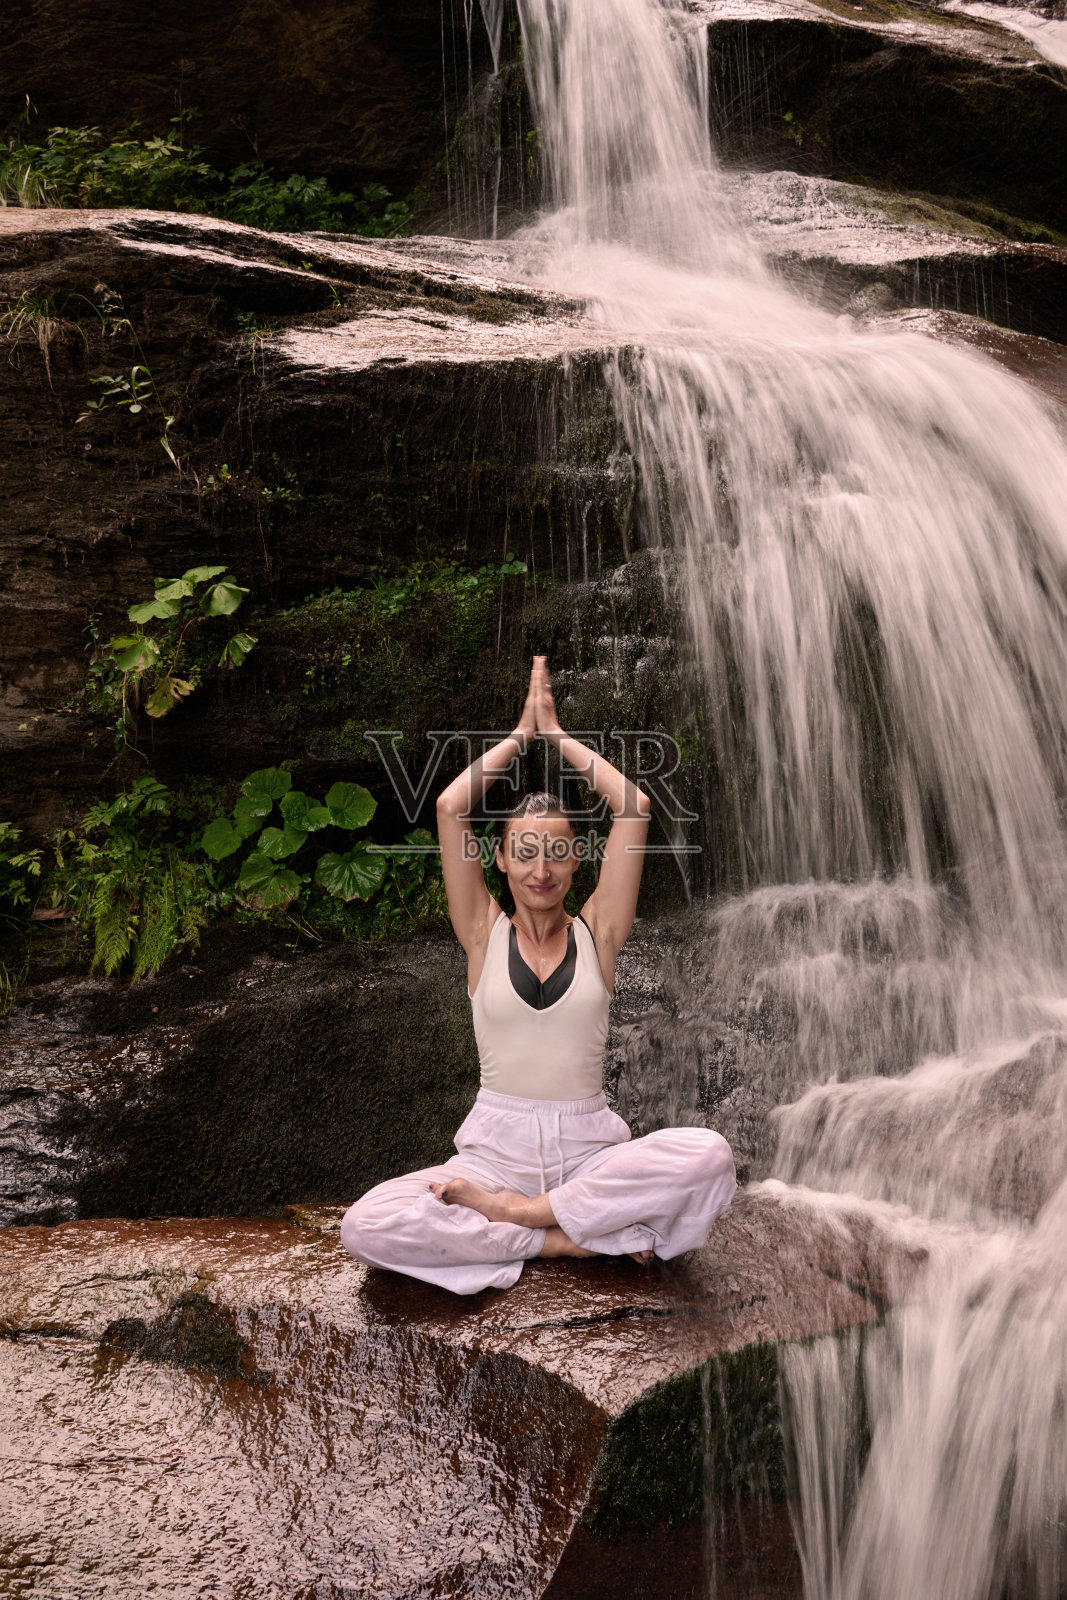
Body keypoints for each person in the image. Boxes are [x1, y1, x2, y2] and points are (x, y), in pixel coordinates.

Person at [340, 657, 736, 1294]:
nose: (540, 868)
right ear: (500, 858)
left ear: (577, 859)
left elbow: (633, 805)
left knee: (711, 1156)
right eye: (524, 852)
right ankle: (570, 1240)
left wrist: (557, 738)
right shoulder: (481, 933)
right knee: (365, 1225)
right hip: (492, 1160)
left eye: (557, 851)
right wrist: (520, 738)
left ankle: (522, 1224)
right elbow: (448, 807)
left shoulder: (599, 933)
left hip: (589, 1157)